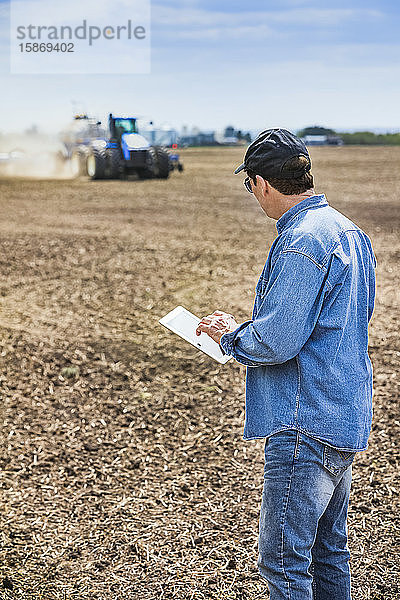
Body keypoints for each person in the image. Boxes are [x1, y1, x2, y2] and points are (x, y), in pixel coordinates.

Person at [196, 128, 376, 600]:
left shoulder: (301, 241)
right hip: (342, 414)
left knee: (283, 561)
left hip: (304, 423)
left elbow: (279, 341)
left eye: (249, 185)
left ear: (263, 183)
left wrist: (230, 338)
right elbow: (327, 323)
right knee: (328, 551)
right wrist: (243, 329)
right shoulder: (347, 230)